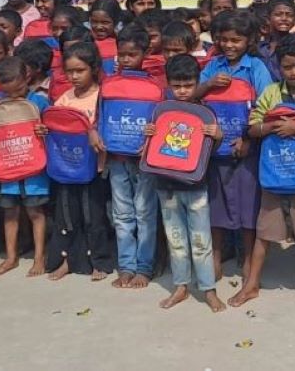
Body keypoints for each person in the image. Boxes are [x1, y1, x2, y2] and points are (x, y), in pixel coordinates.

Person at [228, 34, 295, 309]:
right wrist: (271, 126)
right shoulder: (271, 93)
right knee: (265, 229)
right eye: (288, 67)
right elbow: (252, 126)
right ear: (279, 67)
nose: (294, 72)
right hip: (276, 170)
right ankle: (251, 284)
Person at [145, 54, 225, 312]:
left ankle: (208, 289)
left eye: (187, 85)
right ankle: (180, 286)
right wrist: (148, 135)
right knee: (175, 239)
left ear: (197, 82)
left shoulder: (204, 113)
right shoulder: (162, 111)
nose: (182, 91)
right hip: (166, 185)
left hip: (195, 185)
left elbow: (207, 151)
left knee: (202, 240)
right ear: (168, 84)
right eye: (176, 85)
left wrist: (218, 135)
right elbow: (149, 149)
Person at [196, 10, 273, 280]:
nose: (230, 45)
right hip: (214, 151)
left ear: (249, 40)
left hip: (245, 149)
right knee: (216, 208)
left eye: (236, 40)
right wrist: (207, 85)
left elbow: (266, 106)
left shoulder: (256, 68)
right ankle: (215, 258)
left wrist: (249, 139)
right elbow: (192, 98)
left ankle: (249, 259)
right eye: (224, 39)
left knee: (248, 208)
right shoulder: (212, 66)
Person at [47, 42, 115, 282]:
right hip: (66, 167)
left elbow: (107, 127)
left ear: (94, 68)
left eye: (80, 70)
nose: (74, 76)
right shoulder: (64, 99)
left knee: (93, 215)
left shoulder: (103, 96)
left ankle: (99, 262)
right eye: (69, 71)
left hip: (94, 168)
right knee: (67, 215)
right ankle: (68, 261)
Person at [104, 28, 159, 289]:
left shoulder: (155, 88)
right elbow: (99, 118)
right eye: (122, 54)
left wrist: (150, 140)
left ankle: (145, 267)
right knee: (122, 214)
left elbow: (161, 124)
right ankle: (126, 265)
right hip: (116, 158)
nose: (126, 59)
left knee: (145, 213)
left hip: (143, 160)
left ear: (145, 54)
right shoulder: (108, 84)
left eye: (132, 54)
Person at [0, 56, 50, 278]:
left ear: (28, 77)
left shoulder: (40, 103)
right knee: (10, 213)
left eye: (19, 90)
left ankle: (39, 257)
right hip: (6, 170)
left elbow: (52, 128)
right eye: (9, 92)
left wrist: (45, 130)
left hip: (34, 170)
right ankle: (11, 257)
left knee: (35, 212)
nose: (14, 96)